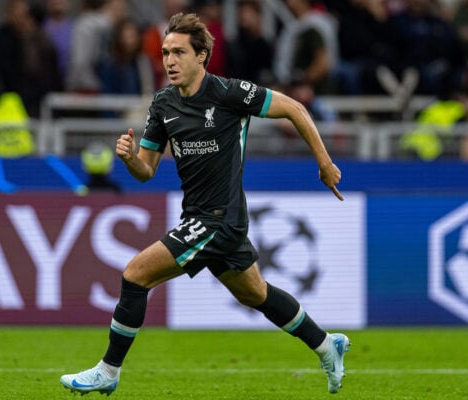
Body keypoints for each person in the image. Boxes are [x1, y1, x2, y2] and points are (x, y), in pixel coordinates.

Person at [59, 12, 350, 396]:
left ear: (201, 57)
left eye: (179, 52)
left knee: (135, 274)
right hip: (202, 218)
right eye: (165, 53)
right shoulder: (163, 103)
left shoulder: (230, 94)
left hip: (219, 220)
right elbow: (146, 170)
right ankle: (327, 345)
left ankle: (108, 371)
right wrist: (130, 158)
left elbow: (295, 108)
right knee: (255, 294)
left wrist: (325, 163)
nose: (169, 61)